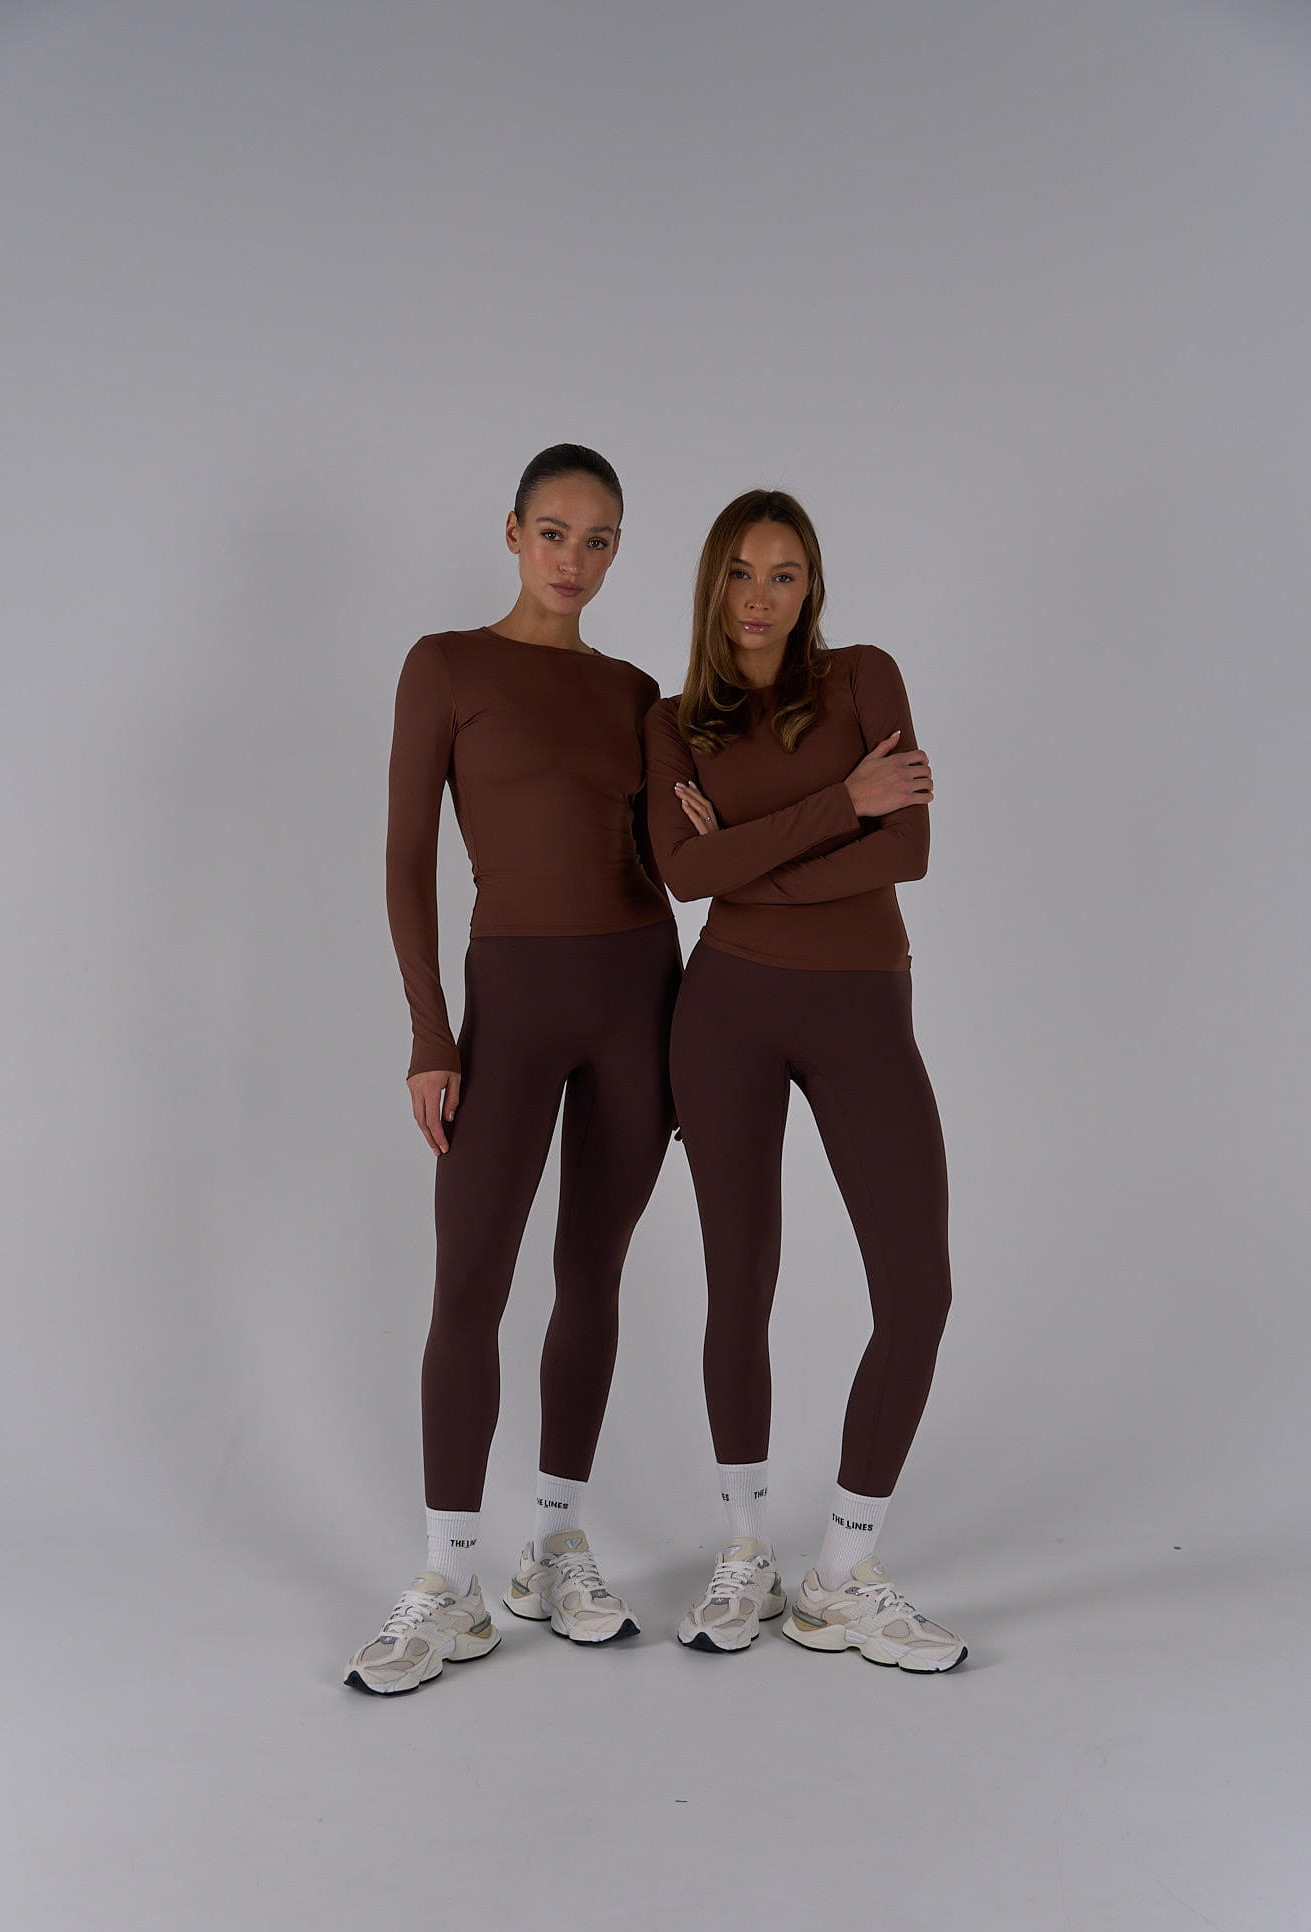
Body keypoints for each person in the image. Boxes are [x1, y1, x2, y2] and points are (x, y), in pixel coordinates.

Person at [346, 445, 680, 1695]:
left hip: (639, 996)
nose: (573, 560)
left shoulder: (637, 691)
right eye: (553, 532)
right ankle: (450, 1578)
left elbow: (677, 863)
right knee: (470, 1279)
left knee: (591, 1275)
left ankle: (555, 1544)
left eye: (598, 540)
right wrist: (432, 1032)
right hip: (513, 1008)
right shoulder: (446, 665)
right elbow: (406, 858)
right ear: (512, 532)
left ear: (617, 549)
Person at [643, 489, 966, 1670]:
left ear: (811, 586)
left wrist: (741, 860)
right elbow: (682, 876)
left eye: (786, 573)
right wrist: (841, 806)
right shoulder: (671, 721)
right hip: (723, 1013)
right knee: (740, 1281)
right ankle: (746, 1549)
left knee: (917, 1291)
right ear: (712, 583)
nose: (762, 596)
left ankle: (840, 1572)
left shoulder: (865, 677)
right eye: (742, 571)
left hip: (862, 1007)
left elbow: (908, 846)